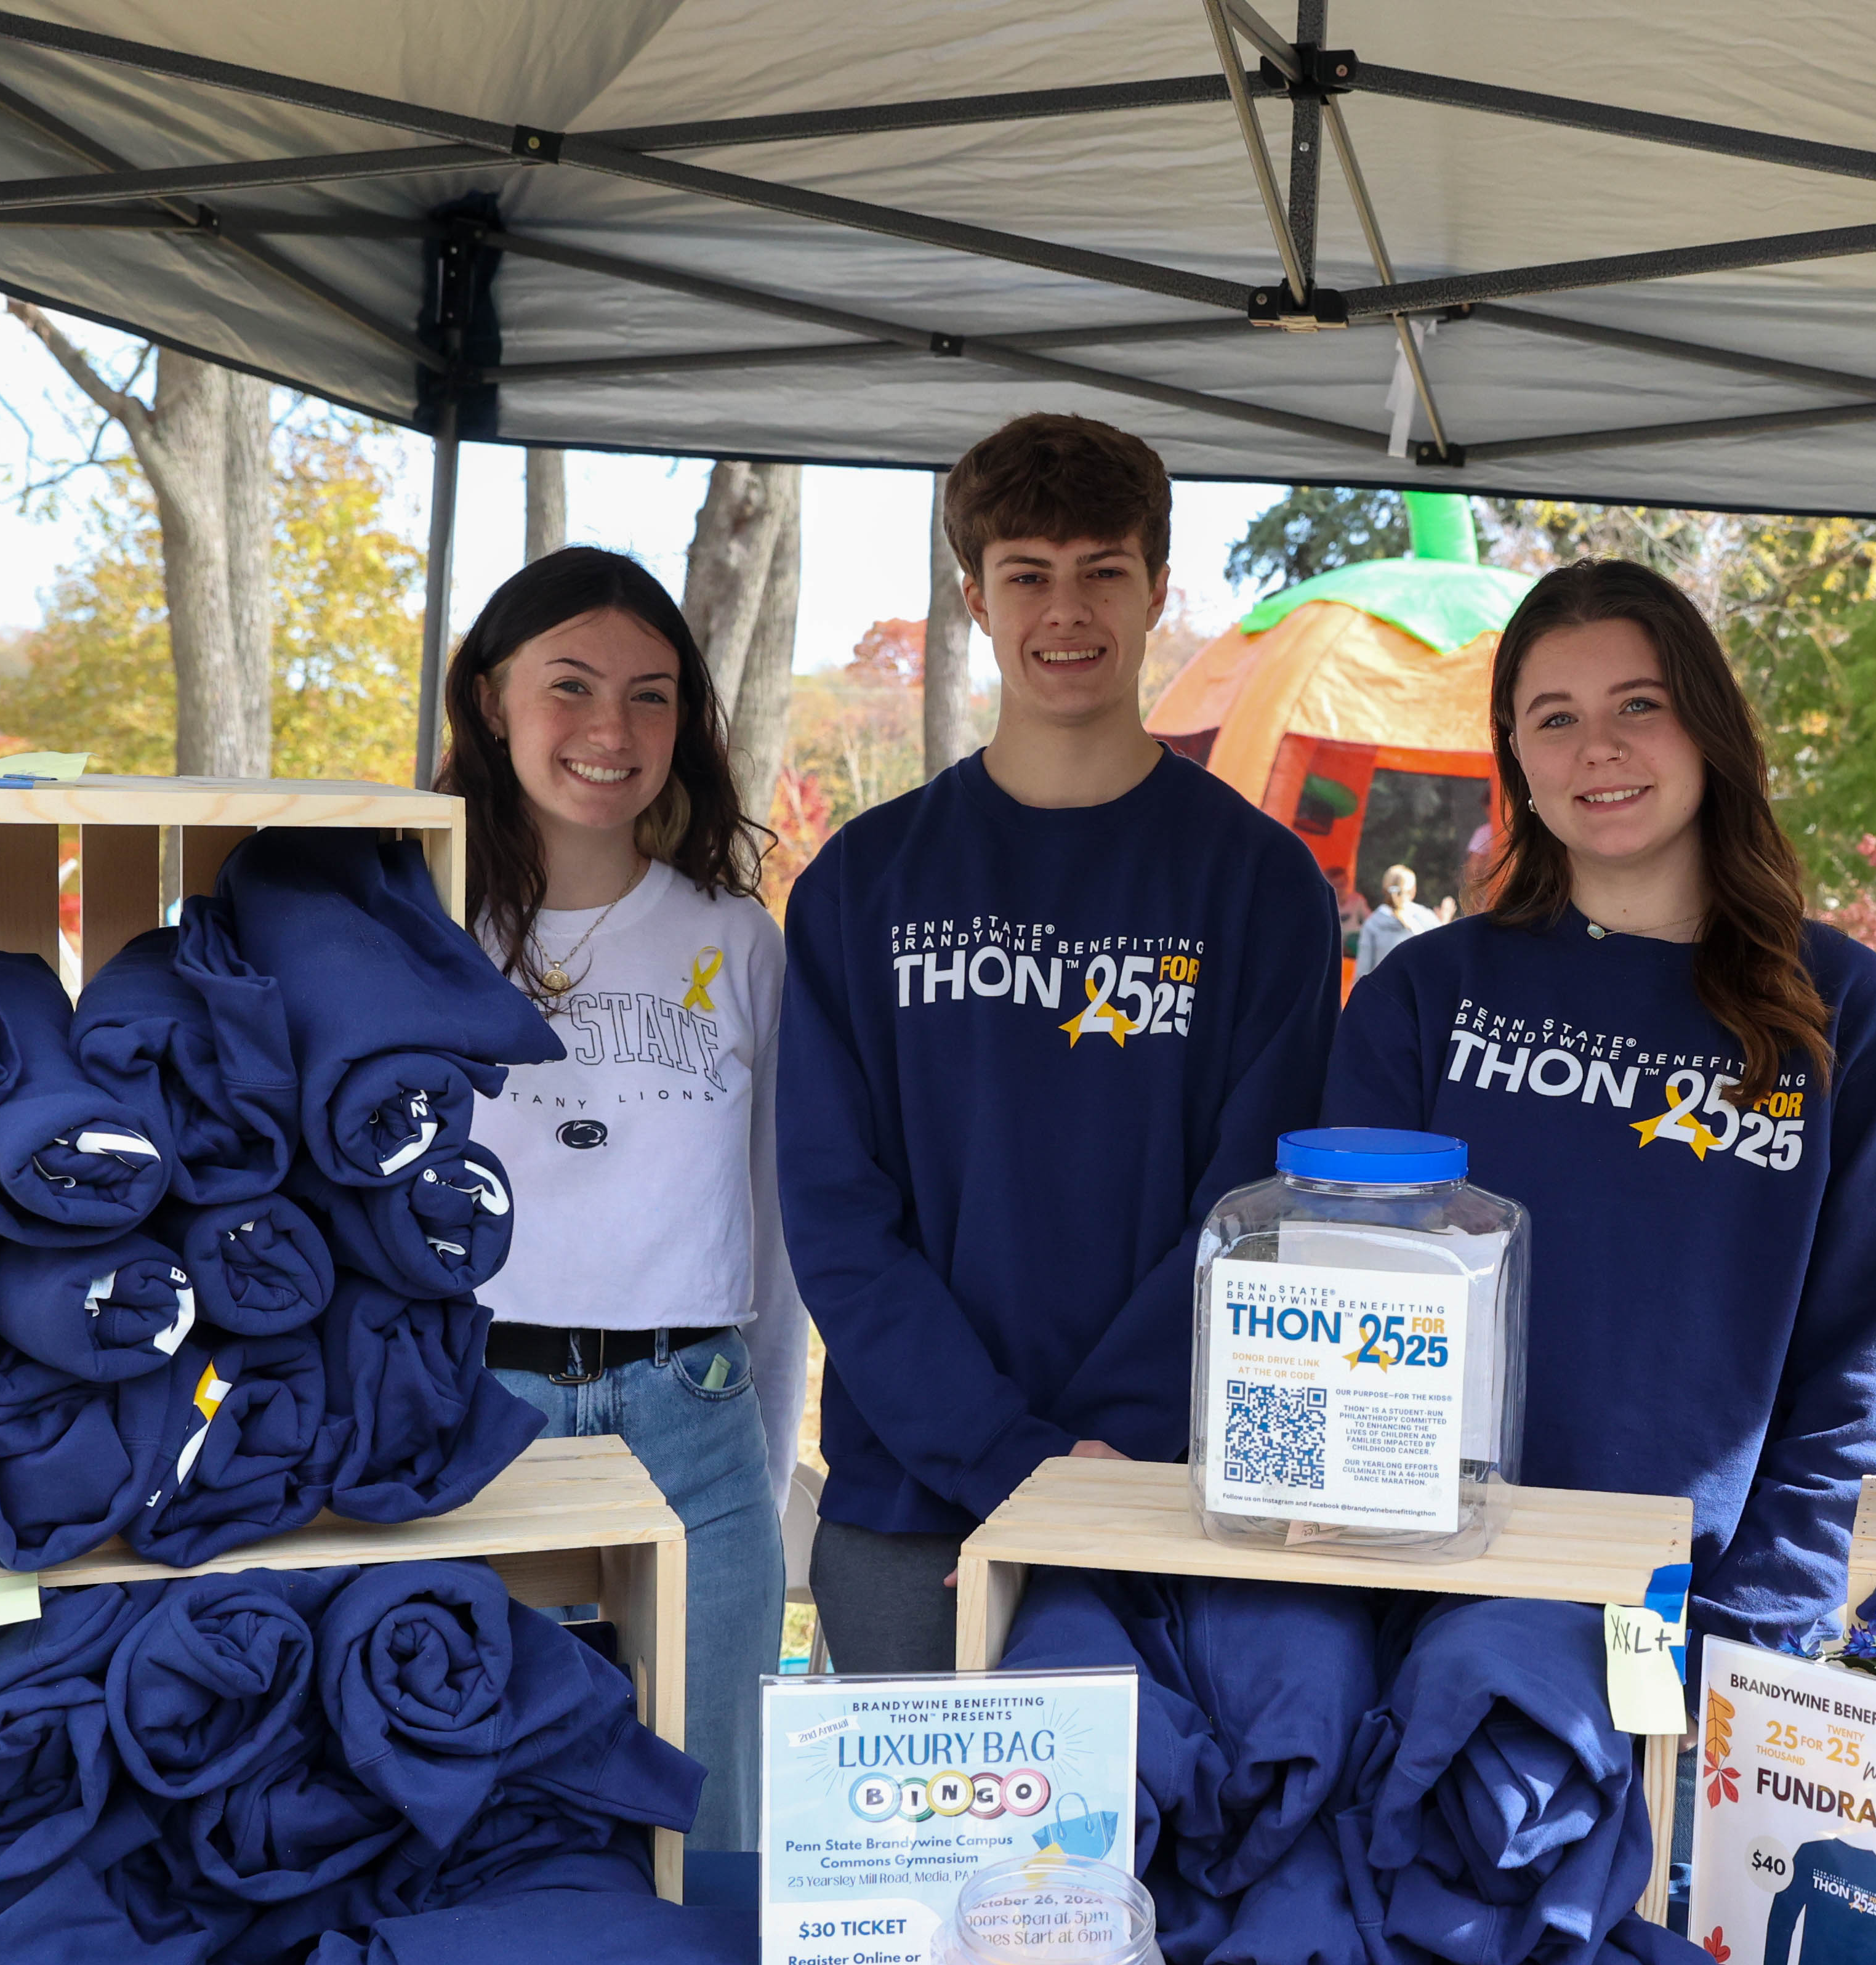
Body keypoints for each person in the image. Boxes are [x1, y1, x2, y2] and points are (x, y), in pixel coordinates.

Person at [1323, 557, 1876, 1671]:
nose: (1598, 749)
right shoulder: (1424, 1000)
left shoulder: (1840, 1010)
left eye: (1638, 706)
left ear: (1706, 727)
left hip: (1715, 1617)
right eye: (1554, 717)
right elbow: (1345, 1308)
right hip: (1436, 1606)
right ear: (1516, 756)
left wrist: (1753, 1625)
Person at [781, 414, 1342, 1671]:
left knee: (1166, 1866)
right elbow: (835, 1214)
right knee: (918, 1869)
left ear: (1158, 590)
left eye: (1103, 570)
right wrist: (1001, 1454)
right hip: (913, 1506)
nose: (1066, 610)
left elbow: (1260, 1211)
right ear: (976, 598)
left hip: (1170, 1498)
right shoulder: (863, 884)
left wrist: (1106, 1460)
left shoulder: (1259, 885)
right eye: (1028, 574)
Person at [445, 545, 807, 1855]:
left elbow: (769, 1232)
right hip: (475, 1419)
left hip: (691, 1419)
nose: (612, 731)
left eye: (652, 695)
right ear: (491, 700)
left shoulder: (739, 941)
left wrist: (765, 1470)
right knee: (486, 1805)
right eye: (572, 686)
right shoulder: (424, 928)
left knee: (711, 1835)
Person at [1353, 863, 1438, 982]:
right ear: (1413, 891)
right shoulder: (1428, 919)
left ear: (1384, 890)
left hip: (1384, 997)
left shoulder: (1372, 924)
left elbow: (1362, 973)